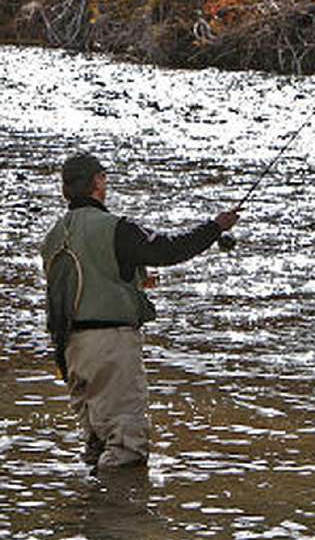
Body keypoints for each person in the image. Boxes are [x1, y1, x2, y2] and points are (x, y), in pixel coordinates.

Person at [41, 151, 240, 470]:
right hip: (111, 347)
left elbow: (74, 284)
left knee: (96, 442)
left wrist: (134, 281)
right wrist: (214, 227)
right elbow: (169, 249)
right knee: (127, 448)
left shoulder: (52, 236)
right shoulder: (116, 228)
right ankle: (122, 514)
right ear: (98, 182)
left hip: (71, 350)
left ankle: (88, 513)